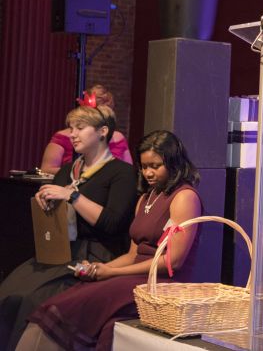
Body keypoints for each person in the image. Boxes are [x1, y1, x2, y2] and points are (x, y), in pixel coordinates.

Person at [17, 130, 202, 351]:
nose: (148, 173)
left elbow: (173, 262)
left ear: (174, 163)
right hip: (135, 275)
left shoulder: (184, 196)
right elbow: (133, 254)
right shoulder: (145, 197)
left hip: (161, 282)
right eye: (144, 167)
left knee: (74, 305)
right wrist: (101, 267)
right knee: (68, 296)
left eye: (155, 166)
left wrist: (112, 273)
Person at [0, 104, 138, 349]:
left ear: (102, 131)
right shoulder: (67, 171)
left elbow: (113, 223)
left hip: (95, 254)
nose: (72, 134)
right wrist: (46, 206)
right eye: (71, 128)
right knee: (8, 293)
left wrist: (72, 196)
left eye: (80, 128)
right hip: (60, 250)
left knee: (32, 300)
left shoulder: (122, 173)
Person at [40, 85, 133, 175]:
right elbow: (47, 169)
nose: (73, 135)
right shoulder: (64, 138)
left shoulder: (118, 137)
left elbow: (128, 170)